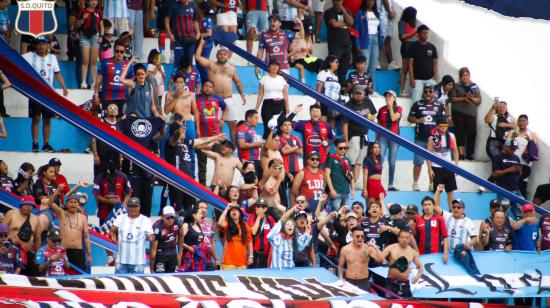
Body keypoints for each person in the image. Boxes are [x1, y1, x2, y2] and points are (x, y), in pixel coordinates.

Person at [163, 122, 225, 211]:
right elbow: (174, 138)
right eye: (182, 128)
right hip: (177, 181)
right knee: (176, 209)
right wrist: (178, 131)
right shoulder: (171, 142)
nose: (184, 129)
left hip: (189, 181)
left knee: (191, 209)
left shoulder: (186, 142)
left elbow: (201, 140)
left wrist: (216, 137)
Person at [23, 36, 69, 153]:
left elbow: (57, 73)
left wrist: (64, 87)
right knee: (36, 117)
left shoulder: (52, 58)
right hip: (35, 92)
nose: (41, 46)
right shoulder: (30, 56)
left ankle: (46, 144)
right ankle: (35, 143)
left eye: (43, 43)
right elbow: (17, 58)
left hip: (49, 93)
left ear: (48, 45)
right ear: (35, 45)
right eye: (39, 44)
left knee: (47, 119)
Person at [195, 39, 246, 144]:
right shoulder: (211, 65)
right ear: (217, 55)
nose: (222, 56)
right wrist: (201, 44)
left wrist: (242, 94)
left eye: (224, 54)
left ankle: (235, 148)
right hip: (215, 100)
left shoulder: (231, 68)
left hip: (229, 99)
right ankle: (219, 147)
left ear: (228, 56)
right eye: (220, 54)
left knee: (233, 124)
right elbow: (197, 57)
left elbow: (237, 82)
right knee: (217, 125)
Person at [407, 83, 446, 191]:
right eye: (426, 91)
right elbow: (409, 118)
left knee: (433, 164)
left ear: (434, 93)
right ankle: (415, 183)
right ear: (423, 92)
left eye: (430, 91)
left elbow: (444, 120)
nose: (428, 93)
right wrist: (418, 120)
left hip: (434, 139)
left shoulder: (439, 105)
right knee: (418, 162)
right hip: (420, 139)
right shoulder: (417, 104)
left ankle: (432, 184)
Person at [371, 229, 423, 298]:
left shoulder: (413, 252)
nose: (404, 239)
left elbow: (420, 266)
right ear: (398, 238)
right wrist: (375, 249)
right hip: (391, 282)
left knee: (407, 304)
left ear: (410, 239)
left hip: (405, 283)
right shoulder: (391, 248)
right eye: (402, 237)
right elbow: (379, 259)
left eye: (407, 238)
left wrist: (418, 275)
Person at [49, 192, 93, 273]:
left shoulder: (83, 218)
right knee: (63, 276)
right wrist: (58, 190)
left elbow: (86, 237)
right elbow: (50, 203)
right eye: (71, 202)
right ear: (67, 204)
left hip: (78, 252)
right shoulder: (62, 214)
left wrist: (89, 254)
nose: (73, 204)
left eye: (75, 202)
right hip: (64, 251)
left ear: (78, 204)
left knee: (79, 277)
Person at [195, 80, 228, 185]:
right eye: (206, 86)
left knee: (220, 160)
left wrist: (222, 119)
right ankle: (202, 186)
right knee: (202, 162)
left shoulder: (217, 98)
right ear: (202, 87)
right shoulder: (196, 98)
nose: (208, 88)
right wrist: (197, 130)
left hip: (216, 137)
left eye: (210, 86)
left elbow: (226, 107)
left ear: (212, 89)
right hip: (202, 137)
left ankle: (219, 184)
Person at [110, 197, 154, 274]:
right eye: (131, 206)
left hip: (138, 262)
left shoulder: (145, 220)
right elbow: (112, 231)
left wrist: (150, 236)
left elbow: (150, 235)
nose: (133, 208)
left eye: (135, 206)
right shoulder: (120, 218)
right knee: (120, 284)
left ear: (139, 207)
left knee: (137, 285)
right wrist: (112, 234)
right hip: (121, 261)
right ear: (127, 206)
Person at [343, 85, 376, 185]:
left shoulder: (367, 101)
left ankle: (355, 182)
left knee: (359, 161)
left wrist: (371, 118)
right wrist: (346, 140)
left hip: (365, 135)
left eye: (360, 93)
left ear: (364, 93)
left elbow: (374, 114)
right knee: (351, 161)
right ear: (352, 94)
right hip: (353, 135)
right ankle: (348, 182)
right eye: (356, 93)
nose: (358, 95)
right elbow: (345, 124)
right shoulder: (349, 105)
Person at [448, 67, 481, 160]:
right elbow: (452, 99)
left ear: (469, 76)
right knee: (460, 132)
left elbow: (479, 100)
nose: (465, 77)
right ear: (460, 77)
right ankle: (461, 154)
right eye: (462, 76)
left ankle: (469, 154)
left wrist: (471, 98)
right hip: (458, 112)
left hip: (471, 114)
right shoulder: (456, 85)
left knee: (472, 133)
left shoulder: (474, 86)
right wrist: (463, 98)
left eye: (466, 75)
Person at [433, 186, 478, 255]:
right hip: (448, 254)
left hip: (461, 253)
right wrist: (438, 191)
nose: (456, 209)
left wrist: (469, 244)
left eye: (458, 207)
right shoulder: (447, 216)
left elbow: (474, 239)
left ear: (463, 209)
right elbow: (435, 206)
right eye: (454, 207)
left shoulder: (469, 222)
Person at [426, 117, 459, 206]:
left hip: (449, 167)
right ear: (437, 126)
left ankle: (452, 212)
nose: (443, 127)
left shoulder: (451, 136)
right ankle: (437, 212)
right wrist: (429, 169)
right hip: (436, 167)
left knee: (450, 191)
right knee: (437, 192)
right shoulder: (432, 137)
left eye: (445, 125)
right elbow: (428, 154)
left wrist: (456, 165)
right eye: (441, 125)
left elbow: (455, 150)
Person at [505, 114, 539, 198]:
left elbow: (536, 149)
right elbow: (505, 146)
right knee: (509, 184)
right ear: (517, 122)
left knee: (522, 186)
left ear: (527, 122)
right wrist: (511, 139)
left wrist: (530, 140)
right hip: (512, 162)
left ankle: (522, 207)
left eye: (524, 121)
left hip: (525, 164)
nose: (522, 123)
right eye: (520, 121)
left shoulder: (532, 134)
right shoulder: (513, 132)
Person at [94, 40, 133, 111]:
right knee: (106, 120)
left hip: (123, 99)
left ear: (125, 53)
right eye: (117, 51)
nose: (119, 53)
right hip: (107, 98)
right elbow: (99, 80)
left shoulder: (129, 65)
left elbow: (130, 84)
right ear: (113, 51)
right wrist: (96, 95)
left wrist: (129, 97)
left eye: (121, 52)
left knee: (122, 121)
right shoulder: (105, 62)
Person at [255, 59, 290, 139]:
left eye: (276, 65)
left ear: (279, 67)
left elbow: (285, 94)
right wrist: (256, 107)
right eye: (273, 65)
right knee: (268, 128)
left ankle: (280, 149)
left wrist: (287, 106)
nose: (274, 67)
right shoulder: (263, 79)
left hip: (280, 105)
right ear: (269, 67)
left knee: (280, 128)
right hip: (268, 105)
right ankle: (266, 149)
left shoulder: (282, 79)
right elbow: (260, 94)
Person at [324, 0, 353, 87]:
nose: (337, 3)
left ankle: (342, 88)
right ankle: (332, 86)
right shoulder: (328, 12)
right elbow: (334, 24)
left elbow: (351, 22)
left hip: (346, 45)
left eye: (339, 1)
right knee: (333, 68)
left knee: (344, 69)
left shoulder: (346, 11)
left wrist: (343, 10)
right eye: (335, 1)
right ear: (332, 1)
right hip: (335, 45)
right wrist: (346, 23)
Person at [353, 0, 382, 87]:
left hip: (375, 40)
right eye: (368, 0)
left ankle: (372, 89)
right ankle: (361, 88)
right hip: (365, 41)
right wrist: (357, 44)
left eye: (372, 1)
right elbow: (356, 31)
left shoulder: (376, 14)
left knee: (372, 67)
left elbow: (379, 29)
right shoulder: (360, 14)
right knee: (364, 66)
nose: (370, 2)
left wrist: (381, 42)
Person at [337, 227, 376, 292]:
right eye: (357, 236)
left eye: (362, 236)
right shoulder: (345, 249)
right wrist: (341, 279)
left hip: (364, 282)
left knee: (365, 302)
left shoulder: (368, 248)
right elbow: (340, 266)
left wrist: (375, 247)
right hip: (349, 281)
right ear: (352, 236)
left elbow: (379, 259)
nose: (360, 238)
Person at [377, 90, 402, 191]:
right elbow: (378, 124)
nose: (387, 97)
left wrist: (391, 106)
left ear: (394, 98)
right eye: (386, 95)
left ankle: (390, 185)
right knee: (380, 160)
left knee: (392, 161)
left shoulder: (398, 108)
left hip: (394, 137)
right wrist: (376, 138)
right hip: (382, 137)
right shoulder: (381, 109)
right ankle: (377, 183)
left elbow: (393, 119)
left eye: (390, 95)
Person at [491, 138, 522, 218]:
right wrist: (509, 170)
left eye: (514, 149)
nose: (513, 151)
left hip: (515, 189)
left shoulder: (516, 158)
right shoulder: (497, 157)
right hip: (503, 189)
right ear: (505, 146)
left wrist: (519, 170)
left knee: (520, 211)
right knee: (504, 212)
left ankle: (519, 228)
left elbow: (520, 175)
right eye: (511, 148)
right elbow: (494, 174)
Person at [76, 0, 103, 89]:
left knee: (93, 62)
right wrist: (83, 19)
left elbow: (101, 25)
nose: (94, 2)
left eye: (96, 0)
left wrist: (101, 36)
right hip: (84, 37)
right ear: (88, 2)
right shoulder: (82, 11)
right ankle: (83, 82)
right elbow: (77, 26)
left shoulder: (99, 12)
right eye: (92, 0)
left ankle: (94, 83)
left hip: (95, 37)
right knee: (85, 61)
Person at [217, 203, 253, 270]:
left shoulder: (245, 225)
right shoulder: (227, 223)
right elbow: (220, 223)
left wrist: (251, 256)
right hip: (228, 262)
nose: (234, 211)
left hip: (242, 263)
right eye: (232, 210)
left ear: (240, 213)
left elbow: (249, 242)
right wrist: (227, 208)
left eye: (236, 210)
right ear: (229, 213)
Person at [165, 0, 200, 67]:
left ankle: (188, 77)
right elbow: (166, 19)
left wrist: (198, 32)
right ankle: (177, 76)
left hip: (191, 39)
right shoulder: (174, 5)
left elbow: (194, 20)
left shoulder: (193, 5)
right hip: (178, 38)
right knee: (178, 61)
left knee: (189, 61)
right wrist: (169, 33)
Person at [414, 196, 449, 263]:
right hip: (422, 255)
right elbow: (416, 238)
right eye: (425, 205)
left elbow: (445, 237)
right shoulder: (419, 220)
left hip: (436, 254)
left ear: (433, 206)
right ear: (423, 207)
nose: (427, 207)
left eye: (429, 204)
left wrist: (445, 253)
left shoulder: (439, 219)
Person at [409, 24, 438, 104]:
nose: (425, 35)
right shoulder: (413, 46)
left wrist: (435, 75)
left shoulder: (432, 47)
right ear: (418, 34)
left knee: (433, 100)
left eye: (426, 33)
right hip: (417, 79)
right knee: (416, 101)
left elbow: (435, 62)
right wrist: (412, 79)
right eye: (423, 33)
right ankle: (414, 116)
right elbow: (410, 63)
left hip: (430, 78)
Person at [179, 204, 209, 272]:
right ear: (193, 214)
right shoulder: (186, 225)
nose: (202, 215)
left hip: (198, 258)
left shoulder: (198, 225)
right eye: (200, 214)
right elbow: (178, 240)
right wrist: (189, 248)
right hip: (188, 257)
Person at [325, 139, 354, 211]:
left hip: (346, 192)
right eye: (340, 148)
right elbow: (327, 175)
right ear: (335, 148)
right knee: (336, 214)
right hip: (336, 192)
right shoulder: (331, 158)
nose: (343, 150)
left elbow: (351, 176)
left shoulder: (347, 159)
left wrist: (353, 190)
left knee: (345, 215)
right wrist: (331, 190)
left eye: (345, 148)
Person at [150, 206, 180, 273]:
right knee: (160, 277)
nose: (170, 220)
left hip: (173, 254)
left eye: (172, 217)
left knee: (173, 277)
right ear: (162, 217)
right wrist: (151, 268)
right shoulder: (157, 227)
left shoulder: (177, 223)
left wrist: (180, 254)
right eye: (168, 217)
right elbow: (153, 250)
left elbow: (181, 236)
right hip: (160, 255)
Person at [248, 199, 276, 268]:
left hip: (268, 254)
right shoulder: (252, 217)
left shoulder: (270, 219)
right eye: (257, 206)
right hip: (256, 253)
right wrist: (258, 217)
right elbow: (253, 232)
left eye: (260, 206)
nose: (257, 208)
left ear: (265, 209)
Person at [397, 6, 417, 97]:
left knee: (411, 69)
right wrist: (415, 32)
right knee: (405, 69)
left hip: (413, 46)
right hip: (407, 46)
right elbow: (403, 37)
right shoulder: (402, 22)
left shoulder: (413, 24)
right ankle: (402, 89)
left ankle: (410, 88)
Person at [316, 55, 341, 123]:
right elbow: (319, 88)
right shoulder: (323, 73)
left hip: (334, 102)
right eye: (336, 62)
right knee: (323, 123)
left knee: (332, 123)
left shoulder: (335, 77)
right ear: (330, 63)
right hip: (324, 102)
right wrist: (318, 102)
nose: (338, 64)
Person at [196, 2, 215, 83]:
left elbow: (209, 33)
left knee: (203, 64)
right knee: (197, 64)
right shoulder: (198, 19)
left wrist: (197, 35)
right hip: (198, 44)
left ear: (202, 10)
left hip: (206, 45)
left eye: (198, 8)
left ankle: (206, 83)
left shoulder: (208, 19)